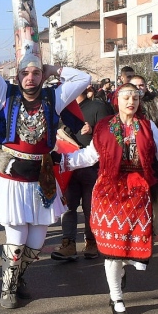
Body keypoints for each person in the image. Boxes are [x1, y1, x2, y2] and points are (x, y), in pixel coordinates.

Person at [0, 13, 90, 309]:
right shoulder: (5, 94)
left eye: (36, 73)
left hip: (42, 176)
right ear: (18, 75)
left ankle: (20, 276)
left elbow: (84, 78)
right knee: (17, 234)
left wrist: (53, 68)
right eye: (26, 73)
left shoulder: (54, 97)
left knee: (37, 240)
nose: (31, 77)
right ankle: (8, 287)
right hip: (12, 176)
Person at [60, 84, 158, 314]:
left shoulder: (147, 125)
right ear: (117, 100)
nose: (131, 101)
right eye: (126, 97)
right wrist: (64, 161)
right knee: (112, 249)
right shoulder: (104, 126)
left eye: (135, 97)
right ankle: (116, 298)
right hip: (109, 191)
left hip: (137, 192)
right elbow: (92, 155)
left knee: (130, 249)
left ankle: (121, 271)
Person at [52, 86, 113, 262]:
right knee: (68, 206)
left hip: (92, 166)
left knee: (90, 207)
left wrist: (93, 130)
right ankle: (68, 244)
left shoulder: (97, 107)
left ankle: (91, 242)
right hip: (67, 165)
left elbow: (109, 133)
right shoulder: (62, 109)